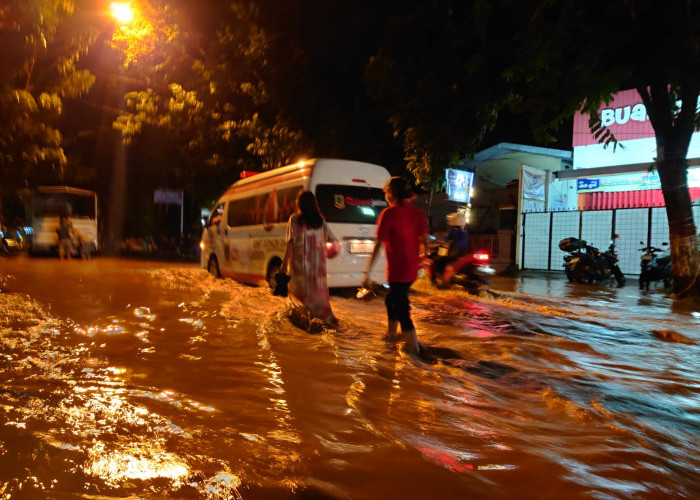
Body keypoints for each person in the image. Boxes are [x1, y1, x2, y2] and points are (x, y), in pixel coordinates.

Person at [363, 177, 430, 354]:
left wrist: (367, 271)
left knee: (401, 309)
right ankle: (392, 335)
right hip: (411, 270)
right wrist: (421, 258)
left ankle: (414, 350)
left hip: (398, 270)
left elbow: (378, 245)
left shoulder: (389, 214)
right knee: (391, 299)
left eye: (386, 192)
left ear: (391, 193)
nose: (385, 195)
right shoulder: (416, 212)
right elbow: (425, 241)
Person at [281, 190, 339, 325]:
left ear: (299, 204)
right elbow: (335, 243)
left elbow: (291, 243)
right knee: (320, 304)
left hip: (300, 268)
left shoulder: (295, 220)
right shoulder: (321, 223)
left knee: (301, 301)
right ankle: (329, 324)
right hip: (318, 271)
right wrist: (326, 254)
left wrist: (283, 267)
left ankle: (308, 327)